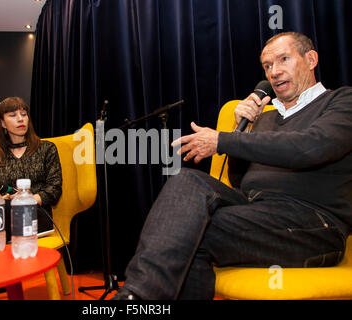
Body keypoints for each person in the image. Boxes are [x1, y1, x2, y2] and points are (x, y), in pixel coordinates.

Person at [112, 32, 352, 300]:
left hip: (314, 225)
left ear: (311, 59)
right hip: (258, 212)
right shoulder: (264, 119)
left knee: (188, 233)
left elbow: (310, 147)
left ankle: (136, 299)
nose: (274, 72)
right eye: (267, 66)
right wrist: (242, 131)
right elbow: (240, 181)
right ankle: (136, 297)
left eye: (283, 59)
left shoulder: (342, 101)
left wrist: (223, 140)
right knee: (187, 181)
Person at [0, 96, 62, 237]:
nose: (20, 119)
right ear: (3, 124)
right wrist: (2, 198)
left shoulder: (46, 149)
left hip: (36, 215)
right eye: (13, 115)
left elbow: (54, 188)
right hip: (3, 217)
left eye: (23, 114)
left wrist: (26, 200)